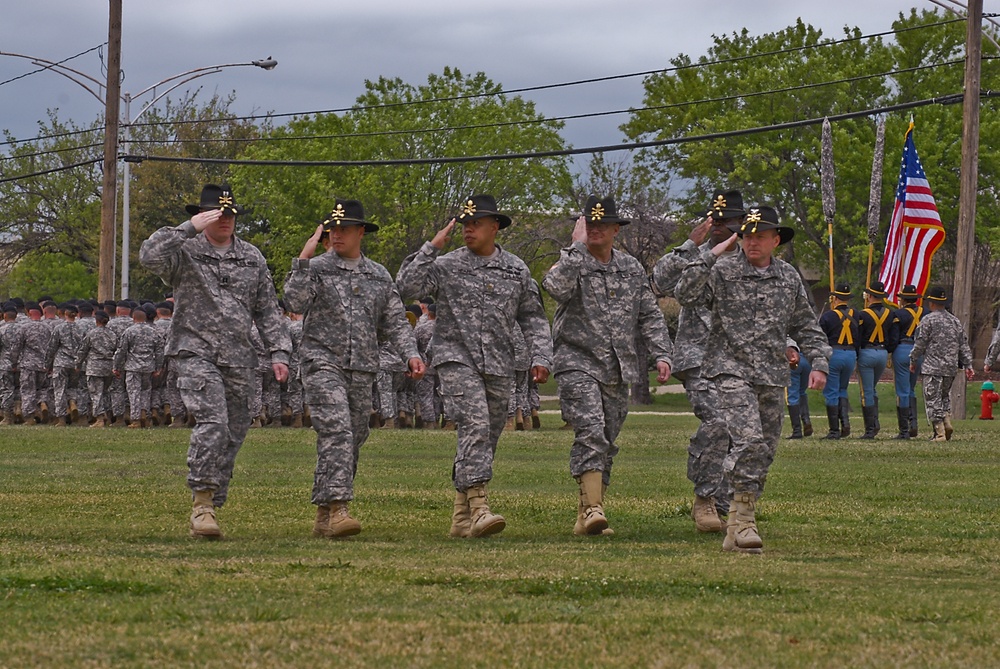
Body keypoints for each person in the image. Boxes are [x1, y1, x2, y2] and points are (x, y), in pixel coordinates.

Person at [675, 205, 830, 554]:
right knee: (748, 441)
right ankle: (744, 523)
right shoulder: (722, 270)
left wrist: (819, 361)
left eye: (760, 236)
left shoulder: (789, 277)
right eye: (747, 235)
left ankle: (736, 522)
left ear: (776, 240)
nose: (752, 242)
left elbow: (805, 324)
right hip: (729, 370)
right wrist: (709, 254)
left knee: (765, 451)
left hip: (772, 376)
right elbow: (685, 293)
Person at [139, 183, 291, 539]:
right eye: (217, 214)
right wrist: (188, 227)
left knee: (234, 433)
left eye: (230, 214)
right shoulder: (184, 251)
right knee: (213, 423)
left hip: (239, 356)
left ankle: (212, 499)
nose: (225, 220)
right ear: (204, 216)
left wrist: (279, 352)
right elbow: (148, 256)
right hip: (195, 351)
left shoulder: (252, 257)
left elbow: (268, 310)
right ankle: (202, 504)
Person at [397, 193, 553, 538]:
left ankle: (461, 516)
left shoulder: (515, 268)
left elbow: (533, 317)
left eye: (476, 223)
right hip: (456, 359)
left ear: (494, 227)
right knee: (476, 425)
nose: (468, 229)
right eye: (465, 223)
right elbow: (405, 286)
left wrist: (541, 356)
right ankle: (480, 507)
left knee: (484, 437)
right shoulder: (447, 264)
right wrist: (431, 247)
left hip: (500, 363)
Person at [285, 199, 423, 537]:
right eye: (332, 229)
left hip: (362, 368)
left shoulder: (377, 275)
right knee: (338, 431)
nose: (336, 235)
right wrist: (302, 260)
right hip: (322, 363)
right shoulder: (316, 268)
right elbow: (294, 302)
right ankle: (339, 508)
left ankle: (322, 513)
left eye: (344, 228)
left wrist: (411, 354)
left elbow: (394, 321)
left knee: (354, 436)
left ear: (361, 231)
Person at [543, 195, 673, 535]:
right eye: (590, 223)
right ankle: (594, 509)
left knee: (606, 440)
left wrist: (662, 353)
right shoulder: (571, 262)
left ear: (616, 229)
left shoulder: (630, 268)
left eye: (602, 224)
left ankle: (587, 510)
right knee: (590, 430)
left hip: (617, 368)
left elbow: (649, 314)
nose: (595, 230)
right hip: (576, 361)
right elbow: (554, 288)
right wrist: (574, 247)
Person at [652, 188, 744, 532]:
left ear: (741, 223)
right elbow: (661, 281)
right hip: (699, 356)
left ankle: (723, 506)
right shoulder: (695, 255)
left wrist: (789, 343)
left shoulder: (750, 259)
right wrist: (691, 245)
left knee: (739, 432)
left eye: (726, 221)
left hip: (738, 361)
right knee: (718, 422)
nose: (718, 226)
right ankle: (704, 499)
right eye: (714, 220)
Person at [909, 286, 973, 442]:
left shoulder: (928, 320)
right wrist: (968, 365)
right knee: (944, 397)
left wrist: (913, 359)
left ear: (931, 303)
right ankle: (947, 422)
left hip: (932, 366)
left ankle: (939, 432)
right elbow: (963, 345)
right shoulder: (955, 321)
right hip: (950, 368)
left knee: (932, 398)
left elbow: (920, 343)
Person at [112, 308, 164, 428]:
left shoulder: (129, 331)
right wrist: (158, 367)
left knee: (134, 392)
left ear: (133, 318)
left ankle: (135, 419)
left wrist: (116, 366)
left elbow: (122, 351)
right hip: (148, 367)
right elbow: (160, 351)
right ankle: (144, 413)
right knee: (146, 391)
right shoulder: (153, 332)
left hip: (133, 367)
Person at [818, 284, 857, 439]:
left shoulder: (828, 316)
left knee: (831, 391)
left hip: (835, 353)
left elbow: (821, 338)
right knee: (842, 389)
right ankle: (845, 423)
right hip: (851, 354)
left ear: (834, 298)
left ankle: (834, 430)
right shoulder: (857, 314)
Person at [885, 284, 923, 438]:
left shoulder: (897, 314)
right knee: (912, 388)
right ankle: (913, 424)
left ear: (903, 300)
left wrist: (890, 351)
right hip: (919, 350)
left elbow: (894, 338)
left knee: (902, 390)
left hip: (902, 349)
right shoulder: (925, 313)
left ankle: (904, 430)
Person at [855, 281, 891, 439]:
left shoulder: (862, 314)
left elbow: (857, 336)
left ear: (869, 296)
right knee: (872, 388)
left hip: (867, 352)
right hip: (882, 352)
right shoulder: (890, 314)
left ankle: (870, 429)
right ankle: (875, 422)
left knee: (866, 391)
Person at [75, 311, 119, 428]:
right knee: (105, 392)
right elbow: (118, 350)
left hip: (94, 366)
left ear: (97, 320)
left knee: (96, 393)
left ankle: (99, 419)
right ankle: (108, 416)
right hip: (108, 366)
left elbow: (83, 350)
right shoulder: (112, 334)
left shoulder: (91, 334)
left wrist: (78, 364)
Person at [10, 302, 51, 424]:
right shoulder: (48, 328)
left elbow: (16, 347)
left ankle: (29, 417)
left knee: (28, 390)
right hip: (43, 364)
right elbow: (53, 346)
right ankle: (43, 404)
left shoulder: (24, 328)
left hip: (28, 364)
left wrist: (14, 363)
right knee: (42, 389)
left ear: (28, 313)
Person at [786, 339, 813, 439]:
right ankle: (806, 420)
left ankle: (797, 430)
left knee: (791, 395)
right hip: (806, 359)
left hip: (793, 358)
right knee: (802, 392)